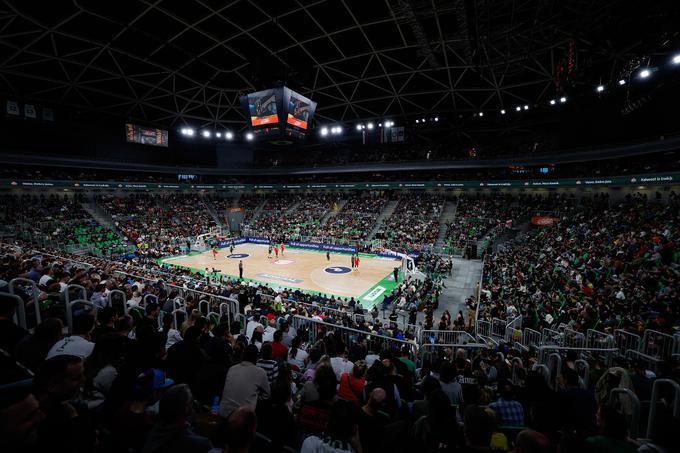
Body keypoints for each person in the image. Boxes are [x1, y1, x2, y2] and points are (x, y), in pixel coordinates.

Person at [143, 384, 214, 453]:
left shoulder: (151, 432)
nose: (194, 404)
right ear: (186, 409)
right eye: (191, 401)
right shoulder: (202, 445)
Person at [219, 344, 270, 419]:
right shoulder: (260, 372)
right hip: (241, 419)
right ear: (256, 357)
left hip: (223, 412)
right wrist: (254, 397)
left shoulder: (232, 368)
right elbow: (267, 395)